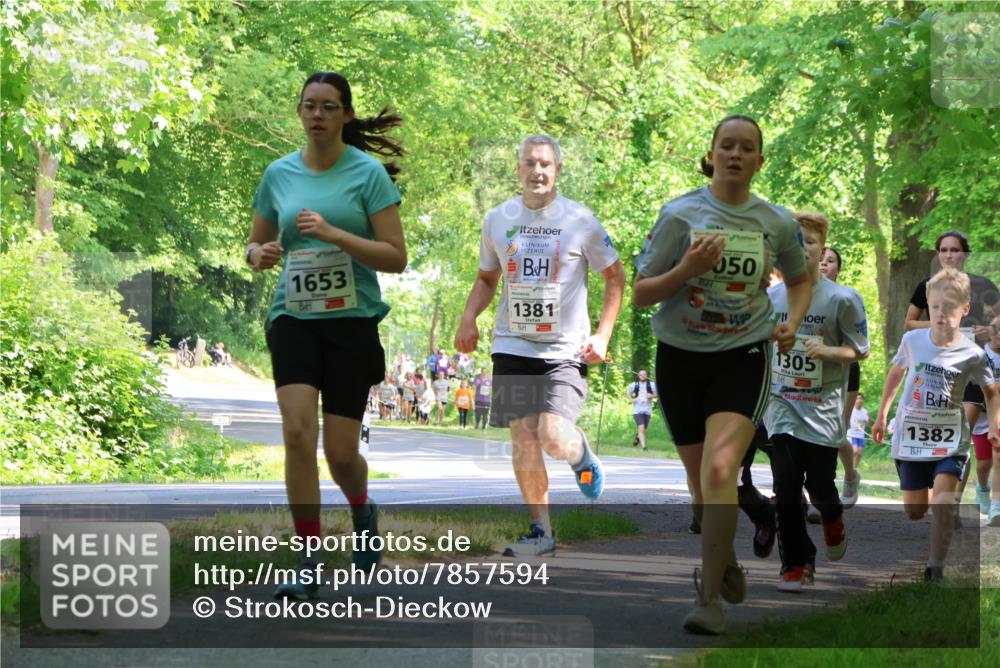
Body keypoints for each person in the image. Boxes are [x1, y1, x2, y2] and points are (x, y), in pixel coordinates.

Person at [632, 115, 810, 634]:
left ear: (759, 161)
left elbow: (799, 281)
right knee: (700, 487)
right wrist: (686, 269)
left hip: (743, 355)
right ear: (711, 156)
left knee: (719, 472)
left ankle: (708, 601)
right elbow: (642, 293)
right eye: (726, 146)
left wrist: (792, 322)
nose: (735, 154)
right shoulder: (679, 215)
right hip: (679, 356)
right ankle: (722, 555)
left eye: (746, 148)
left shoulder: (777, 223)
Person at [244, 71, 405, 599]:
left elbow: (396, 257)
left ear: (346, 115)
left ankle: (362, 508)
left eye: (329, 106)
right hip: (293, 317)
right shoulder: (278, 174)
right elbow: (254, 246)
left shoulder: (367, 175)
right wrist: (260, 255)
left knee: (339, 455)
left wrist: (335, 233)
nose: (317, 115)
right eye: (309, 105)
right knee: (296, 432)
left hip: (351, 322)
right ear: (299, 112)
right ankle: (309, 559)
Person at [454, 133, 625, 558]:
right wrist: (468, 317)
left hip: (564, 350)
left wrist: (602, 334)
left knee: (552, 436)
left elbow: (615, 277)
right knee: (524, 439)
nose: (537, 171)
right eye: (530, 163)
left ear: (558, 170)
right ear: (518, 169)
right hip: (512, 344)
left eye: (545, 164)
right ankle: (541, 531)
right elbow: (486, 278)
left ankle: (581, 455)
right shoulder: (497, 219)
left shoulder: (581, 220)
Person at [764, 212, 869, 593]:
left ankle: (832, 513)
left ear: (821, 250)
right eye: (794, 241)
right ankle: (796, 564)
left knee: (820, 486)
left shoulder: (842, 299)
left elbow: (861, 350)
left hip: (823, 410)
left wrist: (828, 351)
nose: (802, 248)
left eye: (808, 241)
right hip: (781, 406)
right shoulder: (772, 297)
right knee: (786, 482)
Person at [873, 268, 999, 581]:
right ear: (928, 306)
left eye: (950, 307)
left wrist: (994, 424)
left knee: (943, 502)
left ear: (965, 309)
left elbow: (991, 391)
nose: (942, 314)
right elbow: (896, 373)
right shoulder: (913, 340)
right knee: (915, 511)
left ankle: (935, 568)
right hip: (912, 437)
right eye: (936, 307)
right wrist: (882, 414)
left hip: (950, 439)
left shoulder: (973, 353)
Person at [904, 231, 1000, 511]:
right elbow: (910, 323)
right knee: (942, 432)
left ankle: (952, 504)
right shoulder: (926, 285)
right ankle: (939, 486)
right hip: (936, 369)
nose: (948, 255)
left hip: (972, 367)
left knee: (961, 434)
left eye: (954, 250)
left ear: (965, 254)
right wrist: (943, 324)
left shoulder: (981, 285)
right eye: (943, 250)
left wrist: (989, 329)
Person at [818, 246, 864, 507]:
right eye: (820, 260)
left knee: (837, 432)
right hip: (809, 371)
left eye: (830, 261)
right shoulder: (798, 295)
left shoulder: (847, 298)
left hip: (845, 370)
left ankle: (850, 476)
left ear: (838, 268)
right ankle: (817, 492)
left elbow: (859, 344)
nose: (824, 264)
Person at [629, 369, 657, 450]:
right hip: (637, 410)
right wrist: (632, 400)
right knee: (641, 427)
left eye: (644, 374)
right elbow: (628, 393)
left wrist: (651, 396)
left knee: (644, 429)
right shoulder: (634, 385)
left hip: (647, 410)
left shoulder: (651, 385)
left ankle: (637, 438)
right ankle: (644, 447)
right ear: (638, 375)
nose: (642, 376)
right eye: (640, 374)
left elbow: (658, 394)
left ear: (646, 375)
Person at [847, 393, 870, 469]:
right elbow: (848, 421)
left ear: (863, 400)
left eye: (861, 398)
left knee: (859, 454)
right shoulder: (851, 410)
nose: (859, 400)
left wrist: (868, 418)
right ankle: (848, 467)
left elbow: (867, 424)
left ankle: (854, 468)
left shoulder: (865, 411)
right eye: (857, 398)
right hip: (852, 434)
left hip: (861, 435)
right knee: (855, 451)